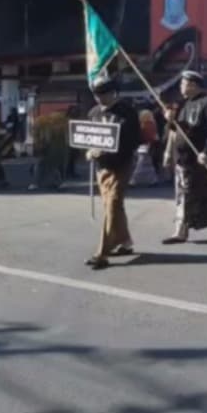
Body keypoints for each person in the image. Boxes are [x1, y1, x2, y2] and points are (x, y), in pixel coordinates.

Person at [162, 71, 207, 244]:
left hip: (200, 159)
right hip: (183, 159)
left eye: (183, 83)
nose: (180, 87)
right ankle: (180, 230)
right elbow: (175, 129)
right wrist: (169, 120)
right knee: (183, 194)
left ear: (193, 84)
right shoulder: (182, 104)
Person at [84, 77, 142, 270]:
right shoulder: (93, 113)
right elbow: (88, 136)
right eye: (96, 94)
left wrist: (108, 150)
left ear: (113, 93)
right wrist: (89, 151)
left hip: (122, 164)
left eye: (103, 94)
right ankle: (125, 242)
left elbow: (133, 141)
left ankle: (102, 253)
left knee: (112, 204)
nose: (99, 98)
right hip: (102, 167)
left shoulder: (127, 112)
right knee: (115, 206)